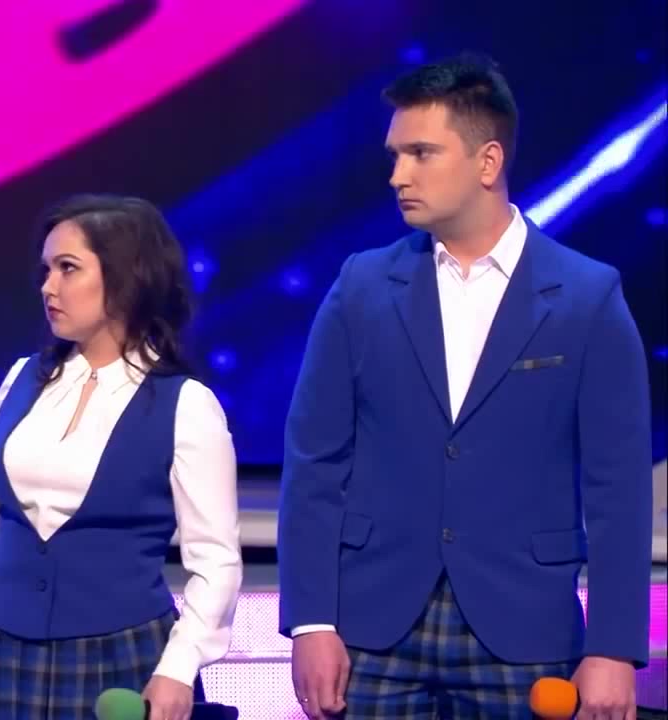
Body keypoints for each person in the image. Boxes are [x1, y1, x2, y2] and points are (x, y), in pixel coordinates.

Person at [278, 53, 652, 719]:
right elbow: (314, 465)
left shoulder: (587, 297)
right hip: (373, 627)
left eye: (421, 153)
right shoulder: (361, 287)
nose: (398, 175)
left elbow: (618, 488)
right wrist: (311, 621)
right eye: (395, 156)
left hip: (526, 628)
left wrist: (613, 647)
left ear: (488, 162)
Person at [0, 195, 243, 720]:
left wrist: (179, 666)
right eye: (46, 270)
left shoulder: (186, 405)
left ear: (125, 278)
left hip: (119, 659)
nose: (48, 287)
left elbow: (216, 560)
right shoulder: (22, 379)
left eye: (68, 268)